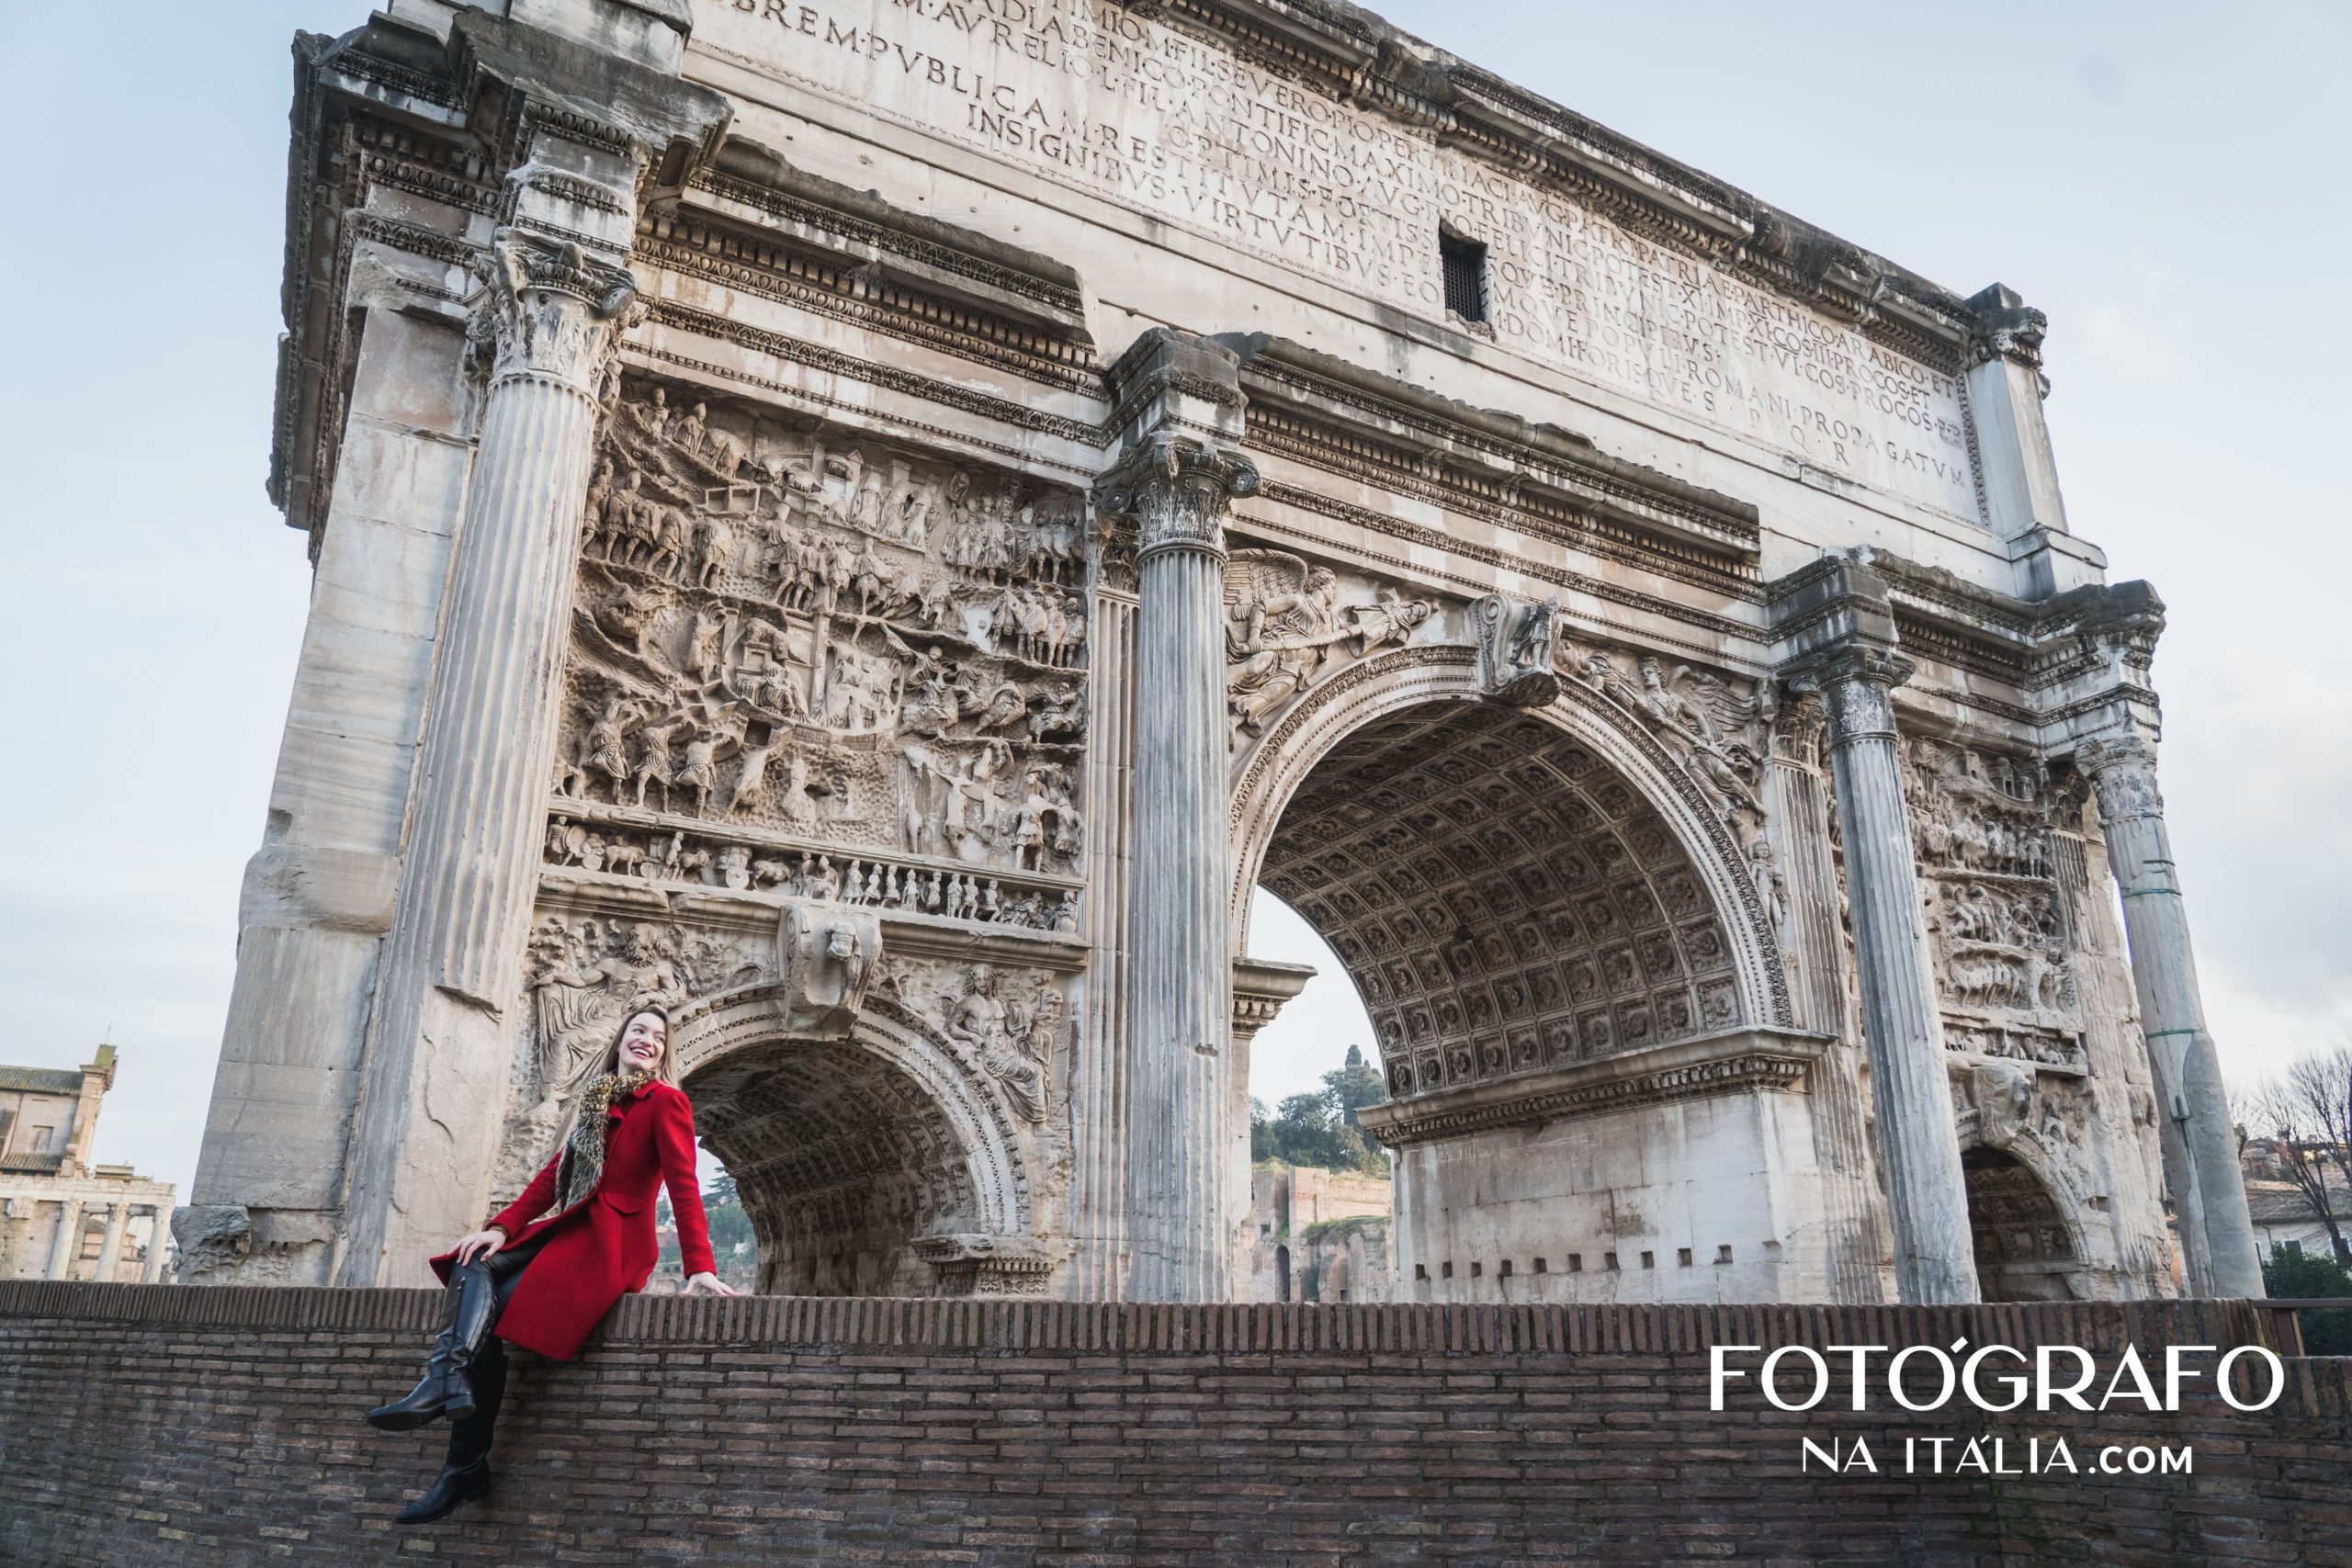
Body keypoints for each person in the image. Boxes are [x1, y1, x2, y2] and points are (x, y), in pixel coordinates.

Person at [363, 1006, 738, 1524]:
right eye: (637, 1032)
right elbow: (552, 1176)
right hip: (570, 1231)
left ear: (665, 1050)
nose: (647, 1041)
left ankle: (457, 1443)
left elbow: (684, 1184)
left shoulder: (666, 1101)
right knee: (473, 1262)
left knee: (484, 1298)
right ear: (620, 1041)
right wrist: (500, 1227)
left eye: (657, 1036)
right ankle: (454, 1422)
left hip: (612, 1242)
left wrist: (699, 1265)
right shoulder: (596, 1098)